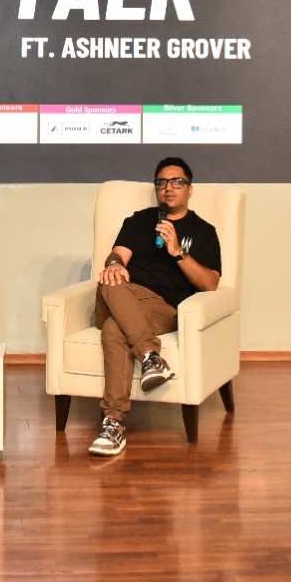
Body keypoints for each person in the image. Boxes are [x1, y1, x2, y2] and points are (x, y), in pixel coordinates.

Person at [88, 156, 222, 457]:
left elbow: (210, 284)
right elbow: (117, 256)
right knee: (111, 279)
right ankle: (150, 355)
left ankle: (113, 423)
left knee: (114, 328)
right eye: (161, 183)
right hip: (122, 295)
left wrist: (177, 252)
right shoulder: (139, 221)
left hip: (162, 310)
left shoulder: (203, 231)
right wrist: (114, 264)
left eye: (177, 182)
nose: (168, 188)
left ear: (190, 188)